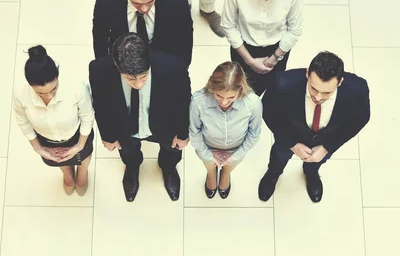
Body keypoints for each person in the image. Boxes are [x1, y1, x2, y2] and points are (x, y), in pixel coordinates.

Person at [89, 33, 190, 202]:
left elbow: (183, 102)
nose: (139, 84)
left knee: (171, 150)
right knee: (128, 151)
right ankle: (132, 168)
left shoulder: (174, 67)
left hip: (164, 124)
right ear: (116, 64)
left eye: (144, 77)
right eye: (130, 79)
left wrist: (182, 133)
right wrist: (108, 136)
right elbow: (100, 105)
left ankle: (169, 168)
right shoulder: (99, 70)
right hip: (124, 125)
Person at [258, 51, 370, 203]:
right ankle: (272, 175)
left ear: (340, 82)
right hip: (289, 136)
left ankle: (311, 175)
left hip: (326, 140)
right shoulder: (282, 83)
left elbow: (360, 119)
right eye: (313, 88)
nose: (318, 97)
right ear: (307, 74)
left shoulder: (358, 90)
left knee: (317, 163)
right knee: (279, 157)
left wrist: (327, 147)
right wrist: (292, 143)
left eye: (327, 92)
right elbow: (268, 111)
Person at [221, 0, 303, 95]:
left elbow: (295, 29)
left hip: (278, 48)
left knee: (272, 88)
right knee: (240, 89)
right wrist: (249, 61)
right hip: (244, 47)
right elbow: (228, 25)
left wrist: (274, 58)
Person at [13, 45, 94, 196]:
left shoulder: (76, 87)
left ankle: (82, 173)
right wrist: (38, 148)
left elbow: (87, 116)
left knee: (84, 157)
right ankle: (67, 174)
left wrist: (80, 145)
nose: (49, 97)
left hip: (77, 134)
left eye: (53, 89)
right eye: (40, 93)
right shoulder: (21, 93)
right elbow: (22, 120)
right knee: (58, 160)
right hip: (46, 139)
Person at [92, 0, 193, 65]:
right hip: (124, 58)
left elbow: (185, 39)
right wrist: (104, 66)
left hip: (162, 57)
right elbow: (100, 37)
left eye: (150, 2)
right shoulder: (106, 0)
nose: (144, 9)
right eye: (136, 3)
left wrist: (182, 68)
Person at [189, 61, 262, 199]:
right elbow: (194, 132)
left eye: (231, 97)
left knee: (230, 166)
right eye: (219, 96)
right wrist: (208, 155)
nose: (223, 102)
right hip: (207, 146)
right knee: (209, 166)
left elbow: (254, 134)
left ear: (240, 90)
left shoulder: (253, 103)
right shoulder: (198, 102)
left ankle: (226, 173)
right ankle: (211, 174)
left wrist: (234, 157)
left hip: (236, 148)